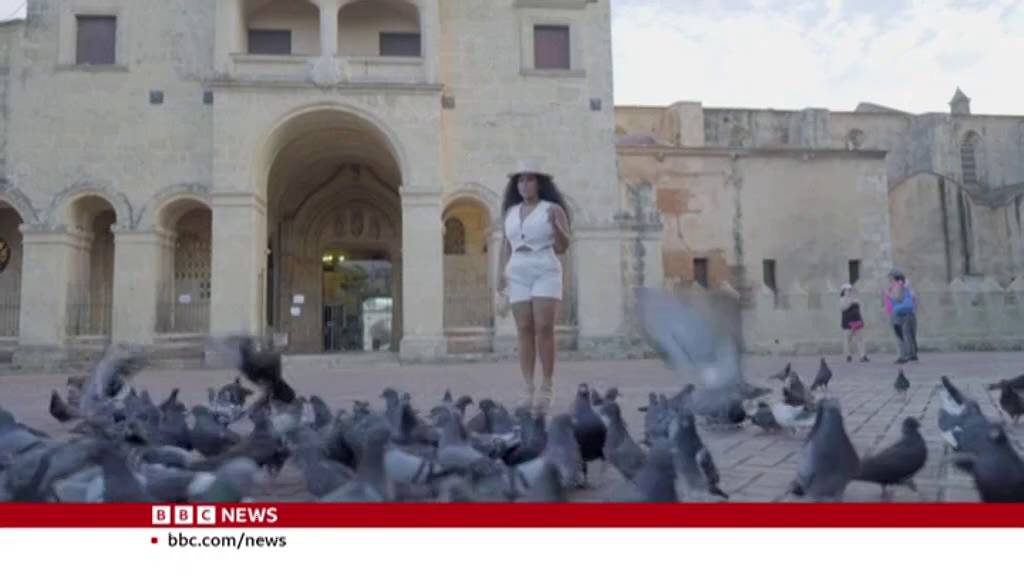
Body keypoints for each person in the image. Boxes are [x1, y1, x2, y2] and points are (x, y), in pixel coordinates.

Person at [497, 160, 573, 413]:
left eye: (530, 179)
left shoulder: (552, 209)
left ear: (540, 183)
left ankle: (547, 386)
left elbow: (563, 246)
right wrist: (500, 276)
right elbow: (505, 246)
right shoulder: (510, 212)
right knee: (523, 328)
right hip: (517, 269)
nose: (524, 184)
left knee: (544, 327)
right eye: (520, 180)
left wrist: (557, 227)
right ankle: (527, 387)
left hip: (544, 267)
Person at [884, 269, 918, 364]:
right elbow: (914, 297)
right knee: (908, 334)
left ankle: (904, 356)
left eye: (890, 276)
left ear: (893, 277)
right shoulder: (905, 285)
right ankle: (912, 355)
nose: (888, 278)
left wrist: (888, 294)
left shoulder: (897, 285)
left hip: (898, 313)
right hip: (908, 312)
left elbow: (897, 298)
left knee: (900, 335)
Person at [840, 283, 868, 363]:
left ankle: (863, 355)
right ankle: (848, 355)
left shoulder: (855, 299)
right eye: (847, 290)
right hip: (848, 321)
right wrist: (850, 302)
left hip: (856, 320)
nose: (849, 291)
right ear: (843, 291)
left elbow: (859, 308)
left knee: (860, 338)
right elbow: (843, 308)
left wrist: (861, 318)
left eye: (850, 290)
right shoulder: (842, 299)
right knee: (848, 338)